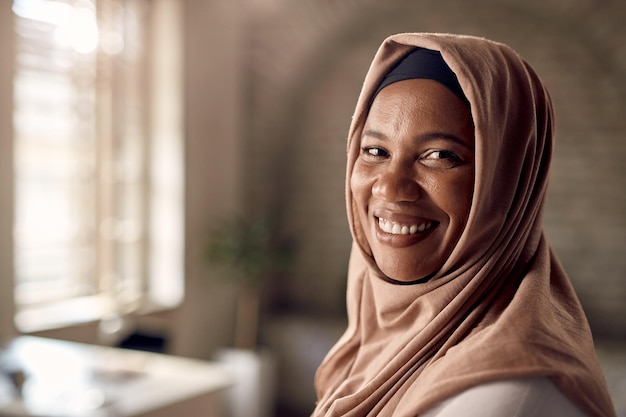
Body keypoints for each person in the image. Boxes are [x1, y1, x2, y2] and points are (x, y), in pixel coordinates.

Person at [312, 33, 616, 417]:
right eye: (375, 151)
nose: (390, 187)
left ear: (507, 179)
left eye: (439, 155)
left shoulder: (505, 396)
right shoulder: (374, 338)